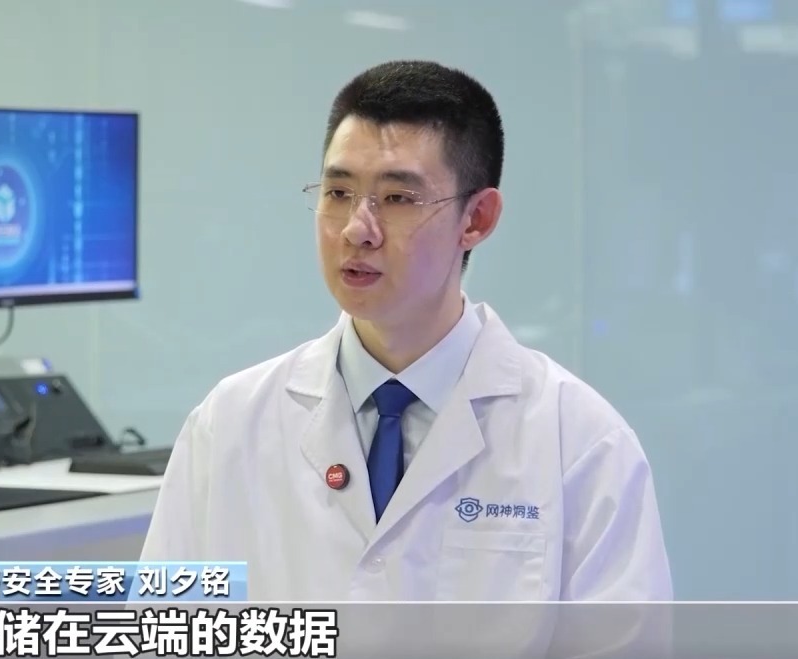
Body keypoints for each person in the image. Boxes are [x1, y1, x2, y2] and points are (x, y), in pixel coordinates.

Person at [140, 61, 673, 607]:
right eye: (338, 192)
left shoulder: (580, 443)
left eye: (397, 199)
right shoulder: (230, 425)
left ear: (477, 219)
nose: (357, 229)